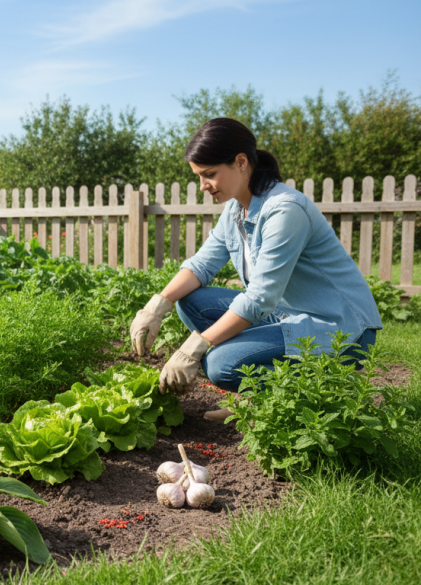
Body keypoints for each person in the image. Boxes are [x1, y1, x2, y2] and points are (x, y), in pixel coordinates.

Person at [129, 118, 382, 420]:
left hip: (339, 328)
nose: (203, 186)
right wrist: (157, 305)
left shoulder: (285, 210)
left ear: (240, 162)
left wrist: (196, 345)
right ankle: (263, 392)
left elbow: (260, 297)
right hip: (289, 313)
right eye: (199, 176)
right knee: (189, 301)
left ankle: (301, 394)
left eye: (209, 175)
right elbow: (201, 265)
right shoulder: (236, 208)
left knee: (221, 364)